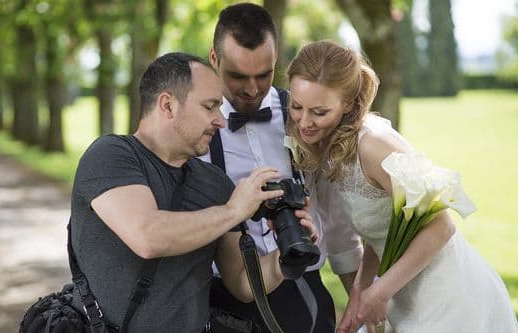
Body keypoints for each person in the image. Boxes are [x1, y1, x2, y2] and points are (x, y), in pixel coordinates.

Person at [70, 52, 316, 332]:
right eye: (210, 107)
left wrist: (285, 258)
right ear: (168, 105)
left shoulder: (215, 183)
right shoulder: (111, 155)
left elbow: (242, 282)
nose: (220, 121)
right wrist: (234, 210)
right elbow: (148, 236)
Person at [284, 40, 518, 333]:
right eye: (296, 107)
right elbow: (382, 225)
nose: (304, 122)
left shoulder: (373, 145)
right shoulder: (337, 148)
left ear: (347, 104)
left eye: (319, 112)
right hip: (404, 293)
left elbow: (441, 227)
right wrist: (360, 292)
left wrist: (380, 293)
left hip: (445, 296)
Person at [200, 3, 363, 333]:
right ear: (214, 60)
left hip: (305, 294)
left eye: (264, 75)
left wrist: (360, 305)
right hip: (224, 305)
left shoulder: (304, 118)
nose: (251, 89)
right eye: (238, 76)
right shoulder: (196, 128)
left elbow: (340, 230)